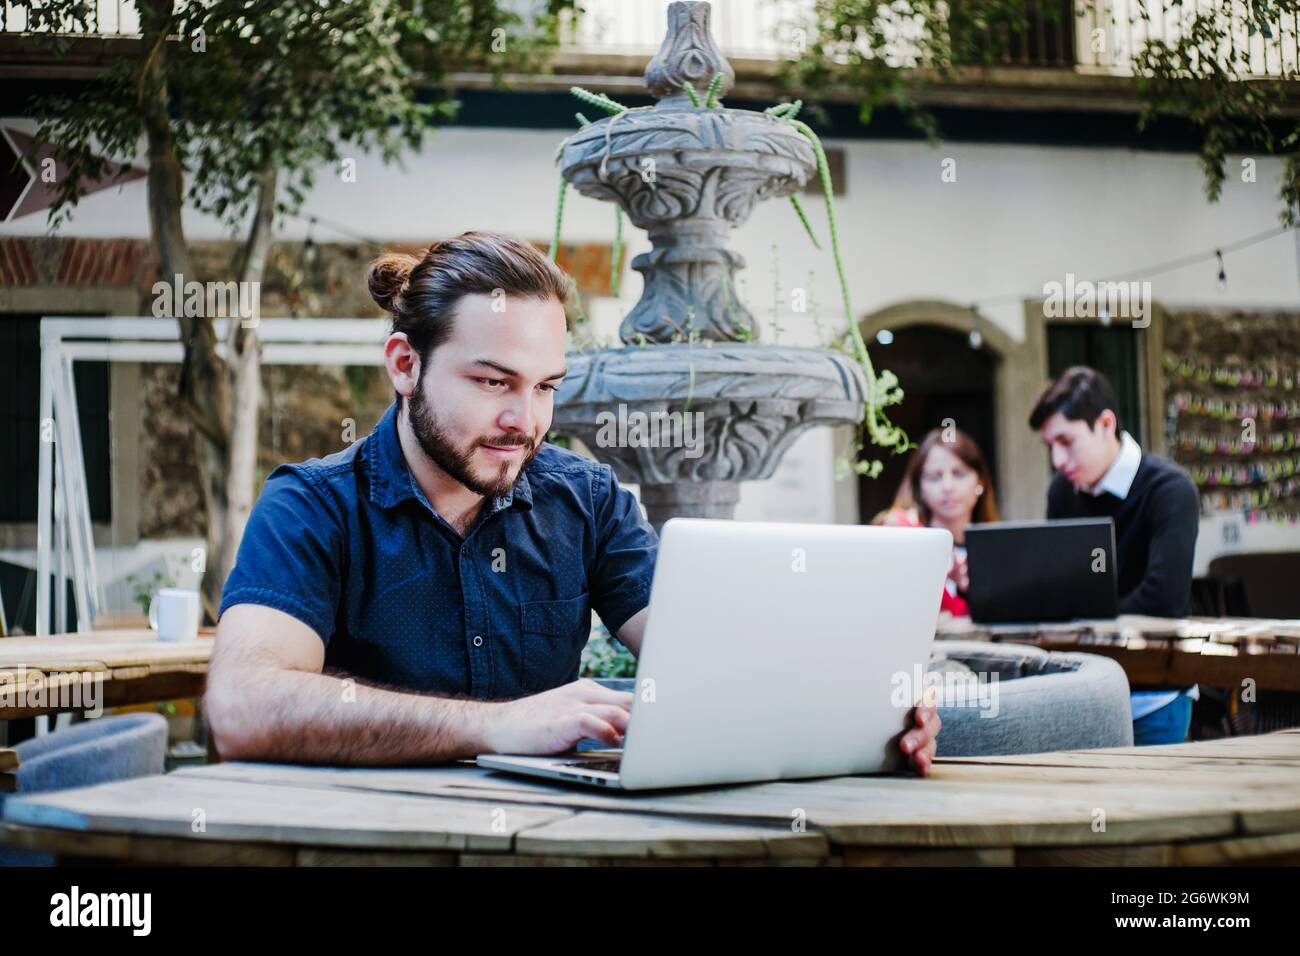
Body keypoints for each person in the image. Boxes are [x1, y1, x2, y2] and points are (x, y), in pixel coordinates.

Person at [204, 231, 942, 772]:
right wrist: (500, 726)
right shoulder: (312, 507)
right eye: (493, 382)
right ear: (405, 365)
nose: (525, 421)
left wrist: (859, 714)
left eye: (546, 386)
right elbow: (242, 709)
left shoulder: (585, 502)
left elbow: (717, 661)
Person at [1029, 365, 1201, 744]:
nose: (1057, 460)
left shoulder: (1170, 490)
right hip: (1080, 693)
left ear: (1105, 424)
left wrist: (1074, 621)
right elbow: (1057, 588)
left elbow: (1163, 601)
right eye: (1050, 446)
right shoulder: (1062, 492)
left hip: (1152, 694)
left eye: (1066, 441)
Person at [877, 427, 999, 618]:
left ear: (980, 482)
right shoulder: (905, 535)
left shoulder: (997, 549)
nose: (947, 487)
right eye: (934, 477)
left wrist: (966, 589)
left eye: (959, 474)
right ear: (920, 490)